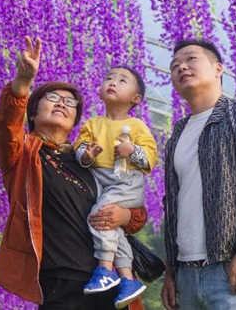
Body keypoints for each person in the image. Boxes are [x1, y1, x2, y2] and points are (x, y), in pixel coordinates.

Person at [0, 37, 147, 310]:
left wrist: (125, 215)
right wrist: (23, 81)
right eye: (52, 98)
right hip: (60, 284)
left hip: (109, 283)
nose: (62, 103)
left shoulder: (89, 158)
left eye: (70, 102)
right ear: (32, 113)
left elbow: (132, 208)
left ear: (77, 120)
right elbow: (6, 125)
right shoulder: (24, 154)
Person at [160, 39, 236, 310]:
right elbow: (173, 206)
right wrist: (171, 272)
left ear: (218, 68)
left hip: (228, 268)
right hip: (185, 275)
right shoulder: (178, 133)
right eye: (175, 65)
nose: (182, 67)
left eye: (191, 59)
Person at [75, 67, 157, 308]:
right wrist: (87, 155)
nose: (113, 82)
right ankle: (127, 278)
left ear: (136, 98)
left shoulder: (137, 126)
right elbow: (80, 150)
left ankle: (104, 269)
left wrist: (132, 151)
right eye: (108, 78)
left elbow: (149, 159)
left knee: (99, 216)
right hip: (102, 181)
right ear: (99, 91)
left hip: (126, 180)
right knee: (114, 229)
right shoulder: (92, 124)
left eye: (123, 81)